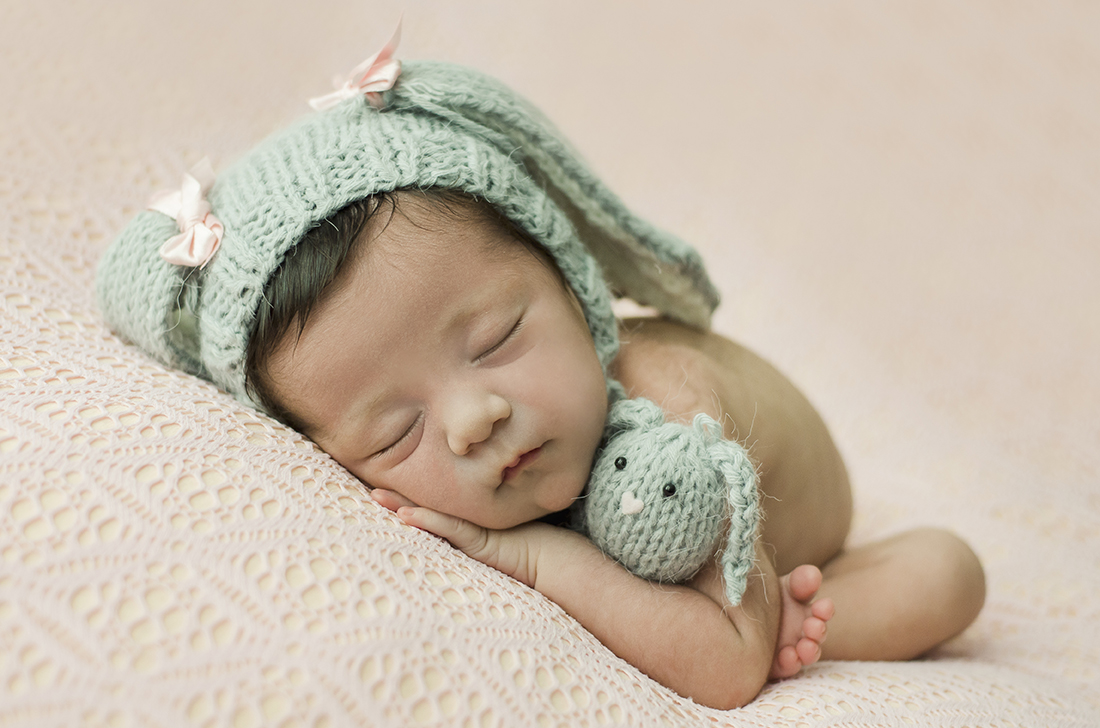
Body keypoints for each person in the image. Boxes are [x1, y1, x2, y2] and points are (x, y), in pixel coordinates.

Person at [96, 43, 985, 710]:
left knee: (947, 574)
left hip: (812, 542)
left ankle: (781, 614)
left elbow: (722, 671)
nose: (475, 419)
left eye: (495, 340)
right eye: (396, 433)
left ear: (573, 284)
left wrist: (524, 553)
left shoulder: (668, 405)